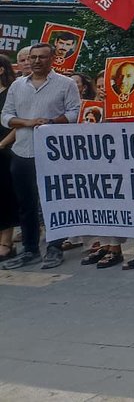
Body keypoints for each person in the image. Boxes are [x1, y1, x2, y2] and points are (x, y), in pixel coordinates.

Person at [1, 43, 81, 270]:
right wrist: (27, 122)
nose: (36, 61)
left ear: (52, 59)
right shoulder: (17, 85)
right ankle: (30, 250)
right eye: (33, 57)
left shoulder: (65, 84)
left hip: (53, 154)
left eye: (42, 57)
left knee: (53, 202)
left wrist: (52, 122)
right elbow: (5, 116)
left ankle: (54, 248)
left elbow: (75, 112)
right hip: (22, 151)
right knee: (25, 203)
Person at [0, 55, 19, 264]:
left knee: (5, 195)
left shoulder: (11, 93)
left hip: (6, 151)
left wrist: (2, 144)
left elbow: (18, 122)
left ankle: (6, 243)